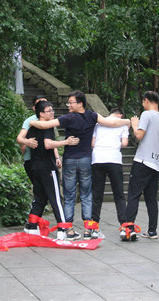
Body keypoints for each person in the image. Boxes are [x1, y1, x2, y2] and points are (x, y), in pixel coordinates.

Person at [29, 90, 131, 240]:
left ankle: (69, 229)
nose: (68, 105)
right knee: (86, 195)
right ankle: (88, 230)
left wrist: (31, 122)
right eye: (68, 102)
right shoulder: (92, 116)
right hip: (85, 160)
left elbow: (45, 125)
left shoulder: (68, 117)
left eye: (71, 102)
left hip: (70, 160)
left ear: (80, 103)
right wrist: (127, 121)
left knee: (69, 195)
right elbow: (110, 122)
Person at [24, 100, 78, 239]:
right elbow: (48, 144)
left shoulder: (32, 127)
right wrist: (66, 142)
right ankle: (62, 229)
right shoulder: (47, 127)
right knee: (56, 198)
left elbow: (25, 145)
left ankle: (32, 226)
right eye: (49, 111)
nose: (52, 113)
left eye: (52, 110)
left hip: (35, 167)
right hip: (47, 167)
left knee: (39, 198)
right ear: (41, 114)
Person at [122, 91, 159, 241]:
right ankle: (152, 230)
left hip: (143, 161)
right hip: (157, 163)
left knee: (133, 195)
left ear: (146, 100)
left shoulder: (147, 114)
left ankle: (129, 229)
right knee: (151, 198)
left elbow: (139, 135)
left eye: (143, 102)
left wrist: (135, 125)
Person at [16, 95, 60, 233]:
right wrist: (27, 142)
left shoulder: (48, 122)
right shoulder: (30, 121)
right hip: (33, 162)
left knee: (41, 195)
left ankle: (32, 225)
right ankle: (63, 228)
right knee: (46, 195)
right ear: (37, 109)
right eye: (42, 105)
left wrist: (57, 157)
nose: (50, 110)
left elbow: (51, 142)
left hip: (43, 161)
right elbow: (20, 138)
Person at [90, 107, 129, 240]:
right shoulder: (123, 124)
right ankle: (124, 226)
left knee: (97, 195)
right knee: (119, 195)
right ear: (120, 116)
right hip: (114, 160)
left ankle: (94, 228)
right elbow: (124, 143)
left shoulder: (98, 124)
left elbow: (92, 143)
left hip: (98, 159)